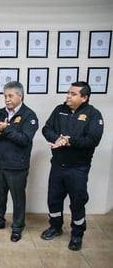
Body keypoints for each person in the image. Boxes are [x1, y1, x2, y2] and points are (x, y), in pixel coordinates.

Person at [40, 81, 104, 251]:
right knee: (53, 199)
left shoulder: (93, 115)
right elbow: (46, 129)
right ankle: (55, 227)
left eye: (73, 94)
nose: (68, 96)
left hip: (78, 168)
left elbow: (92, 140)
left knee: (77, 202)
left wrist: (69, 141)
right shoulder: (59, 110)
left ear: (84, 97)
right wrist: (57, 138)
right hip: (58, 166)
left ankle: (77, 234)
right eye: (68, 92)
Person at [0, 81, 38, 242]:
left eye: (10, 95)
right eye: (5, 96)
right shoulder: (0, 113)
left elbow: (24, 139)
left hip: (17, 165)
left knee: (17, 197)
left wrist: (4, 129)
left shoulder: (29, 115)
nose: (7, 99)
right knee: (0, 194)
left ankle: (17, 227)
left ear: (20, 96)